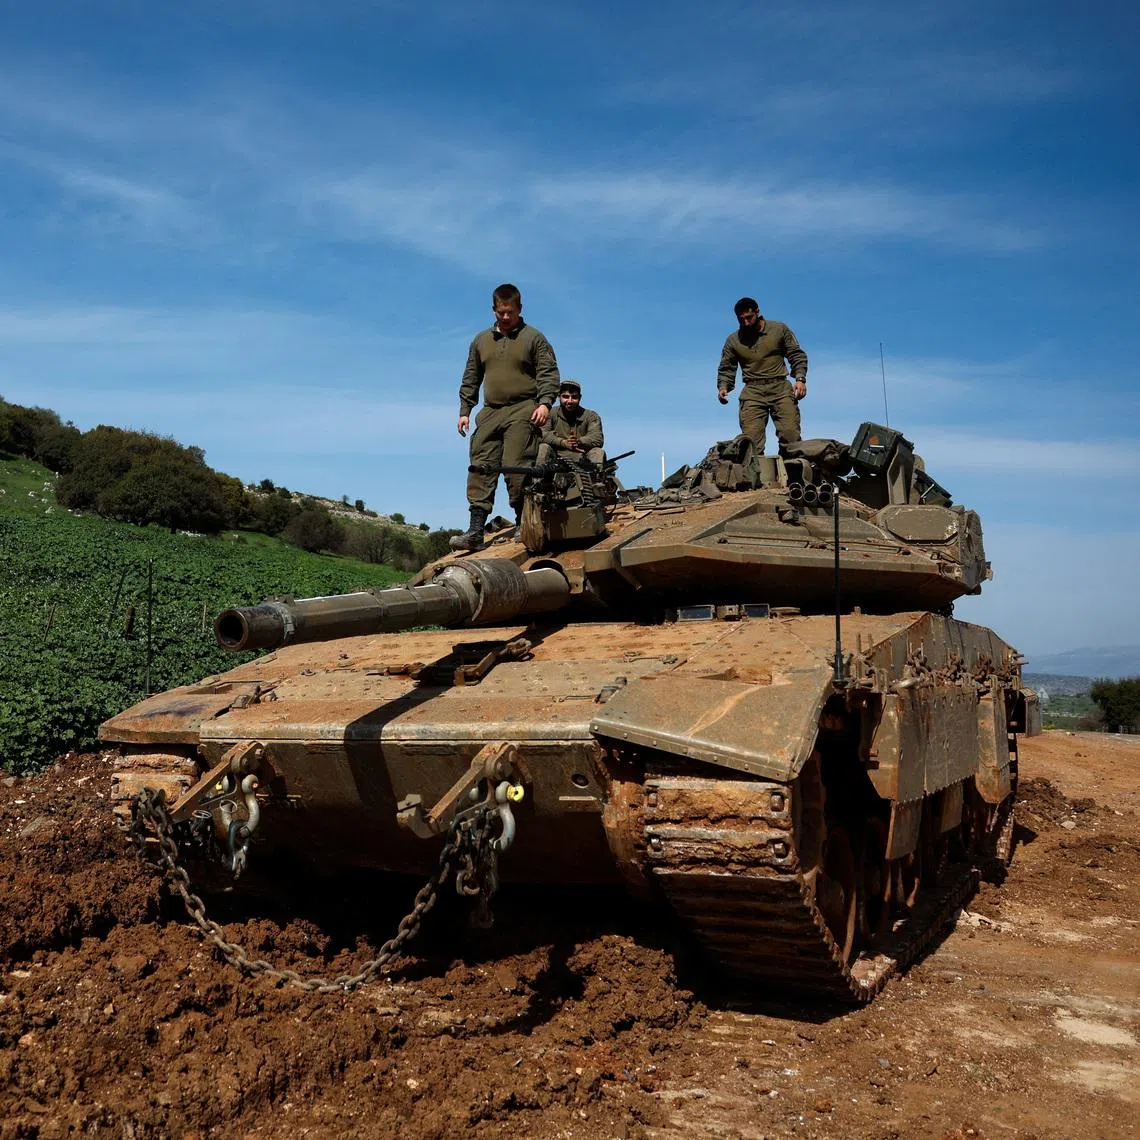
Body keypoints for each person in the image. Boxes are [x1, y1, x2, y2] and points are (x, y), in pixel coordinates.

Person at [451, 283, 561, 550]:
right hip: (490, 411)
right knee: (480, 464)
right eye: (501, 312)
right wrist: (465, 410)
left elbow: (549, 373)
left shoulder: (533, 338)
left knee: (516, 466)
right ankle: (475, 532)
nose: (505, 317)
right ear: (494, 310)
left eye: (510, 312)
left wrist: (545, 403)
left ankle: (524, 524)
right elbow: (471, 377)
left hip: (524, 408)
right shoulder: (481, 341)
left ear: (519, 309)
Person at [716, 297, 808, 455]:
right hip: (753, 391)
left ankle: (791, 476)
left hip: (780, 388)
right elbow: (727, 367)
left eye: (749, 318)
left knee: (790, 436)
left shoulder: (779, 329)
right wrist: (723, 387)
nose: (745, 322)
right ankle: (754, 478)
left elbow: (796, 355)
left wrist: (800, 379)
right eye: (741, 319)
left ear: (757, 312)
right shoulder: (733, 340)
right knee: (751, 442)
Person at [536, 379, 605, 467]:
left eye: (574, 397)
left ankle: (597, 479)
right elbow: (542, 434)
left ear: (580, 398)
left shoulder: (591, 416)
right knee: (543, 448)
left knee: (598, 452)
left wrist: (578, 441)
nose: (570, 401)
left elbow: (597, 438)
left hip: (582, 457)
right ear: (559, 397)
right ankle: (538, 479)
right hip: (555, 457)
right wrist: (563, 442)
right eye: (565, 397)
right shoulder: (550, 413)